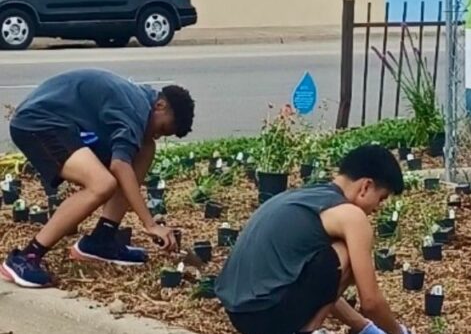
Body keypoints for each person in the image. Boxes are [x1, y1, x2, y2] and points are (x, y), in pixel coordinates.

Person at [1, 68, 194, 288]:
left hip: (66, 125)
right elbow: (119, 165)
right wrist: (150, 224)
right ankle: (26, 257)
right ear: (160, 106)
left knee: (145, 148)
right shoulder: (134, 111)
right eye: (161, 128)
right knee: (102, 184)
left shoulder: (141, 101)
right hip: (38, 123)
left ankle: (101, 240)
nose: (157, 134)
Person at [215, 144, 410, 334]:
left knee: (331, 261)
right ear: (365, 187)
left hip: (239, 313)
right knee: (346, 252)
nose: (377, 208)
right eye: (381, 198)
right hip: (267, 315)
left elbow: (321, 286)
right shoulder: (350, 215)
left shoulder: (304, 196)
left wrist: (364, 327)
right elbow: (370, 303)